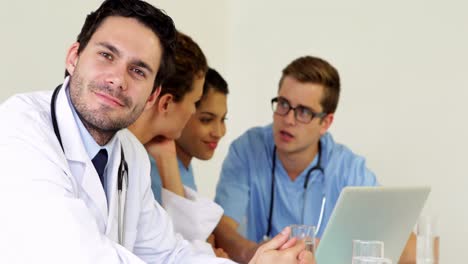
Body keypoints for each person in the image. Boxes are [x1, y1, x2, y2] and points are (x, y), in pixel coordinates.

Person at [0, 1, 314, 263]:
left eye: (138, 70)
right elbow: (80, 254)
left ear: (152, 95)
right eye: (106, 55)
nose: (118, 79)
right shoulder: (20, 127)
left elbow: (169, 253)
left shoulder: (129, 153)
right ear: (73, 57)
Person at [213, 55, 379, 262]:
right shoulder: (248, 149)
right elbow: (222, 229)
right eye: (283, 104)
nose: (288, 120)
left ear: (326, 123)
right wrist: (256, 254)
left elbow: (395, 241)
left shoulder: (349, 169)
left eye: (303, 112)